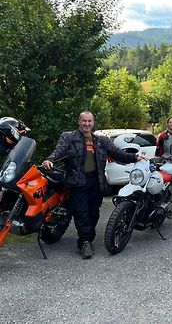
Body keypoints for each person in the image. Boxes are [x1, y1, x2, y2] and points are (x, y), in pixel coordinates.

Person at [42, 111, 148, 259]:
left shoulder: (101, 141)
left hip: (96, 182)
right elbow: (58, 151)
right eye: (84, 121)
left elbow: (117, 153)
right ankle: (85, 242)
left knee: (93, 213)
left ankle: (87, 238)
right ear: (79, 122)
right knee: (81, 213)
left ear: (93, 123)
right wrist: (50, 160)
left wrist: (135, 157)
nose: (87, 124)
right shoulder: (68, 137)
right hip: (77, 182)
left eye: (89, 121)